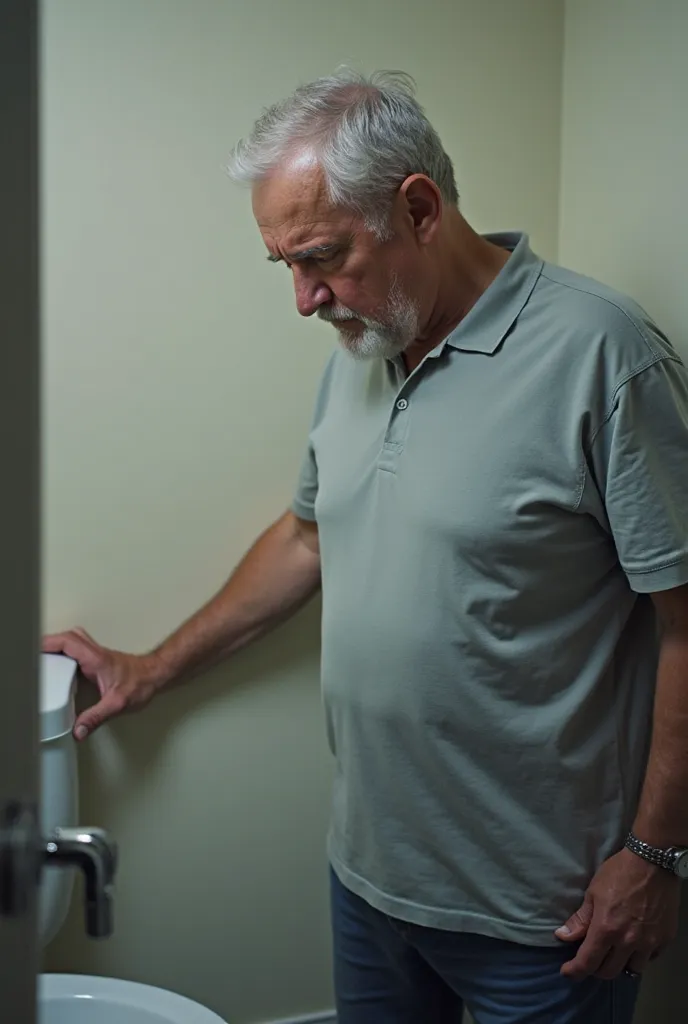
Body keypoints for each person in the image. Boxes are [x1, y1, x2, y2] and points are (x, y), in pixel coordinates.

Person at [44, 69, 688, 1024]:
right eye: (286, 267)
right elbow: (309, 536)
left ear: (419, 210)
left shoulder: (604, 356)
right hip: (371, 881)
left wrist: (654, 858)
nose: (305, 299)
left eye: (320, 257)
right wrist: (150, 668)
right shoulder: (364, 344)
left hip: (547, 916)